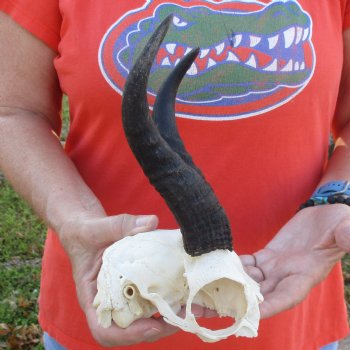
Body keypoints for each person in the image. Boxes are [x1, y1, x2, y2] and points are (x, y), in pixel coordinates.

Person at [0, 1, 349, 349]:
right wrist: (73, 220)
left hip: (289, 313)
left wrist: (336, 195)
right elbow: (13, 110)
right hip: (112, 294)